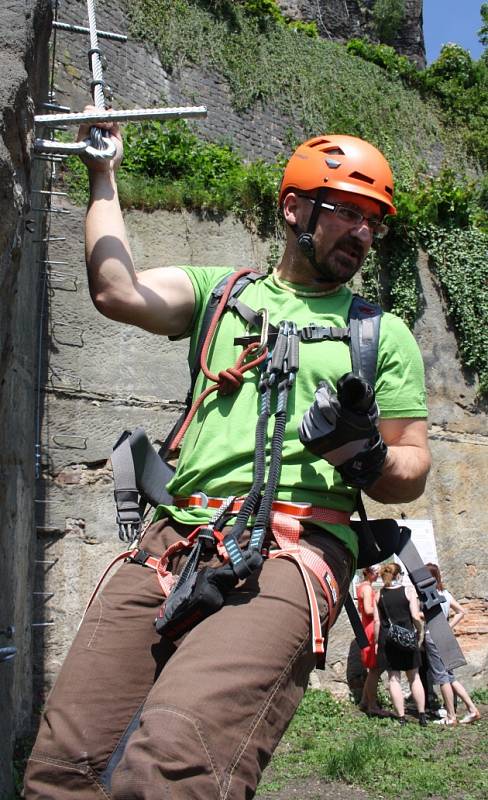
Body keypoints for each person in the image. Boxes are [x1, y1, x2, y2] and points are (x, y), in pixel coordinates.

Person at [25, 118, 431, 799]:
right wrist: (104, 175)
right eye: (346, 213)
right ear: (293, 207)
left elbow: (411, 467)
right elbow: (116, 293)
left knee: (175, 763)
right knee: (65, 767)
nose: (362, 233)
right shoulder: (223, 295)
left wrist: (362, 455)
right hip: (171, 542)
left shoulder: (379, 333)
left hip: (289, 552)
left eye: (373, 221)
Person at [424, 563, 480, 726]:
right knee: (450, 676)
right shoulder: (445, 594)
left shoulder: (430, 596)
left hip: (433, 636)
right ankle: (472, 709)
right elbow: (461, 611)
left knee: (442, 678)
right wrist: (449, 627)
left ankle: (451, 716)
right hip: (446, 636)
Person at [374, 562, 427, 726]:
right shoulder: (408, 591)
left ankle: (402, 718)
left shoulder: (378, 595)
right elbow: (415, 617)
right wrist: (419, 632)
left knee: (394, 678)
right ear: (398, 575)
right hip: (408, 638)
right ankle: (422, 716)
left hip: (388, 640)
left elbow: (377, 622)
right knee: (414, 677)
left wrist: (377, 641)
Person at [356, 566, 386, 715]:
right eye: (375, 573)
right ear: (368, 572)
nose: (378, 575)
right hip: (370, 627)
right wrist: (382, 607)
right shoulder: (367, 588)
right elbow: (367, 610)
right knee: (375, 668)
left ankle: (364, 701)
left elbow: (361, 609)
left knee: (373, 669)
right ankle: (372, 705)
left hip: (365, 626)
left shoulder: (362, 586)